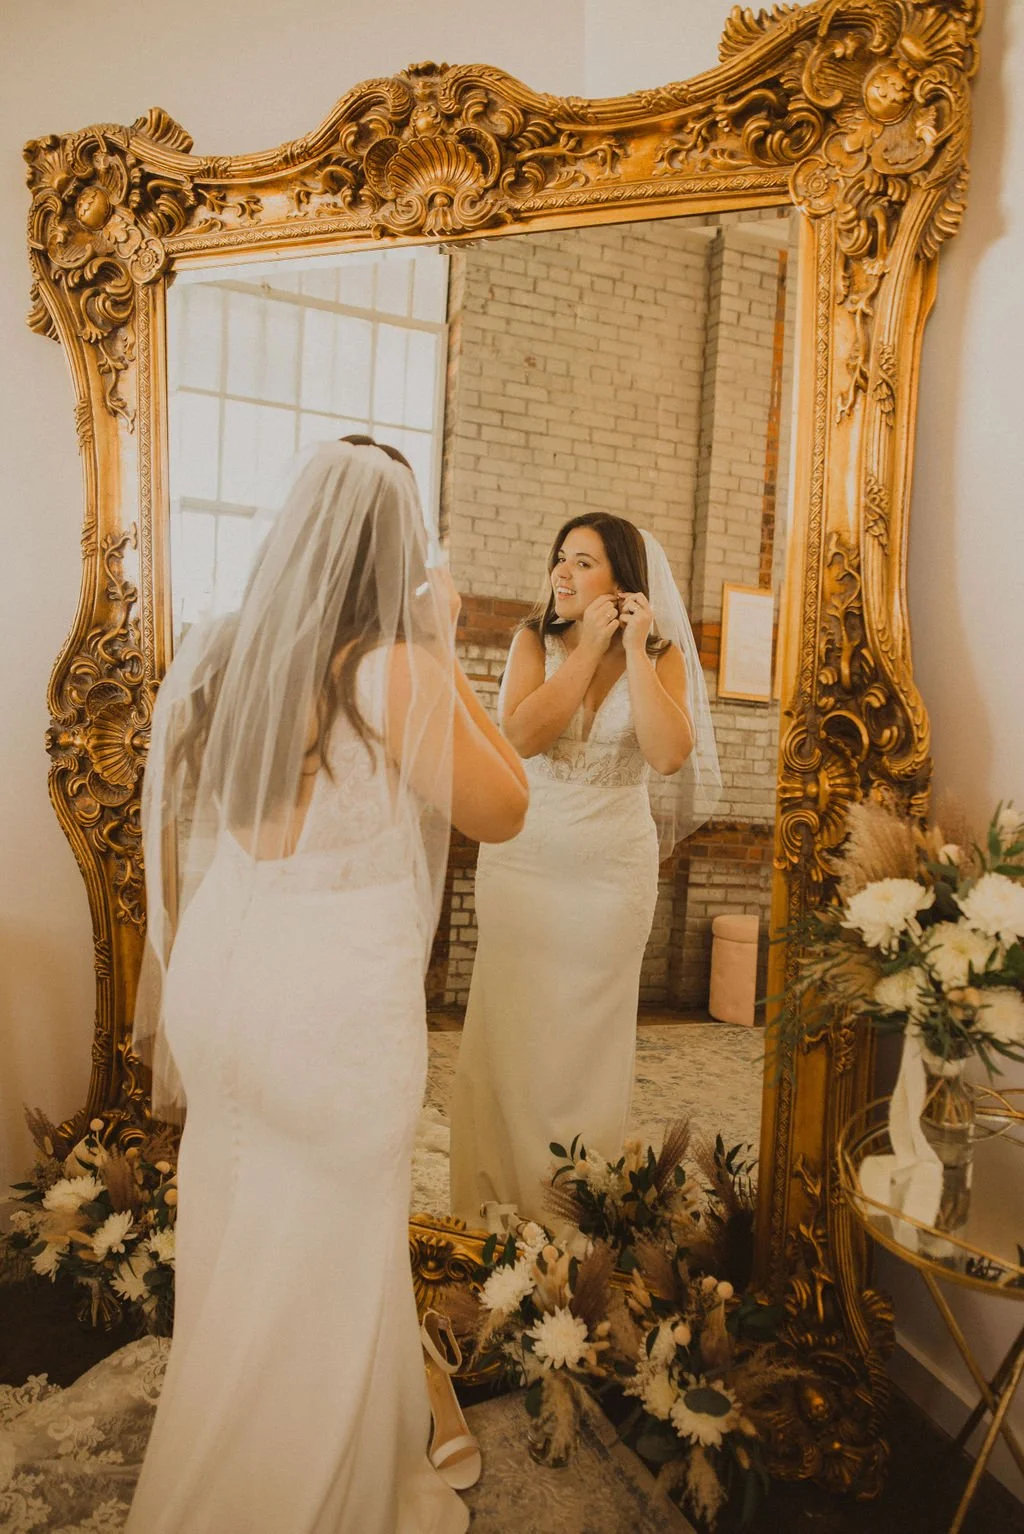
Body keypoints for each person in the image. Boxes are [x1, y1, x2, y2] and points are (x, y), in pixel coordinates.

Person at [127, 437, 528, 1533]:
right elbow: (506, 807)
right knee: (335, 1247)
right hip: (329, 1010)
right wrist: (440, 641)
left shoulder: (232, 659)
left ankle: (225, 1444)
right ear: (391, 559)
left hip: (227, 981)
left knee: (243, 1221)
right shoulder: (390, 671)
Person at [449, 512, 720, 1229]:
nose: (562, 573)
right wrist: (586, 648)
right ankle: (499, 1190)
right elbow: (524, 734)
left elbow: (666, 756)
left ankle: (577, 1203)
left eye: (583, 562)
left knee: (589, 1035)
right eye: (559, 559)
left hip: (611, 873)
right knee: (513, 1022)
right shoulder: (532, 640)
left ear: (622, 582)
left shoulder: (655, 654)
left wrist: (630, 647)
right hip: (526, 860)